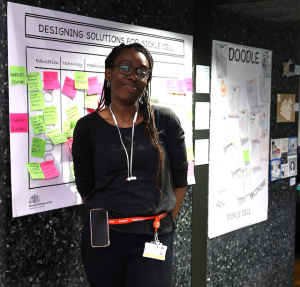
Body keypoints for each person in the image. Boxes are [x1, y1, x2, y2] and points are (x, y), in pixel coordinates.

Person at [72, 43, 188, 287]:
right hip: (103, 239)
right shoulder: (87, 127)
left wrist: (167, 220)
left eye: (142, 72)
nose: (134, 76)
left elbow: (180, 177)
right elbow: (86, 186)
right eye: (125, 67)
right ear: (108, 73)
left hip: (154, 234)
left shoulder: (164, 119)